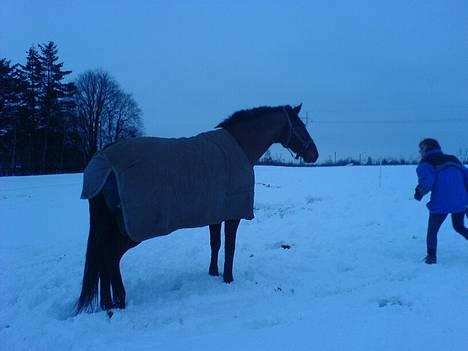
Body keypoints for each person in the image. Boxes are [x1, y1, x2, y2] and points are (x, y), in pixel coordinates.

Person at [414, 138, 468, 264]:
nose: (419, 152)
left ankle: (431, 257)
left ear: (427, 148)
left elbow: (426, 183)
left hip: (440, 203)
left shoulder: (426, 162)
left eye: (421, 148)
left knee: (432, 231)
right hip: (459, 201)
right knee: (458, 226)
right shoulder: (453, 159)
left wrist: (419, 193)